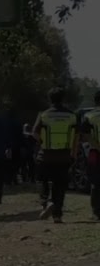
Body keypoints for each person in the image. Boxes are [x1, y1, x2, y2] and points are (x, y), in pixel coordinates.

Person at [32, 87, 78, 223]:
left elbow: (34, 133)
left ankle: (46, 203)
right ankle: (57, 214)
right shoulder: (72, 115)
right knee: (60, 185)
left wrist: (41, 141)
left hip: (45, 155)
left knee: (43, 180)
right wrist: (73, 154)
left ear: (49, 99)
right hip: (64, 156)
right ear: (63, 99)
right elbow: (76, 137)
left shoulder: (44, 114)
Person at [78, 91, 100, 219]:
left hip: (95, 152)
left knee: (95, 182)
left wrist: (97, 146)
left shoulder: (89, 116)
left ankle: (96, 212)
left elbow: (85, 136)